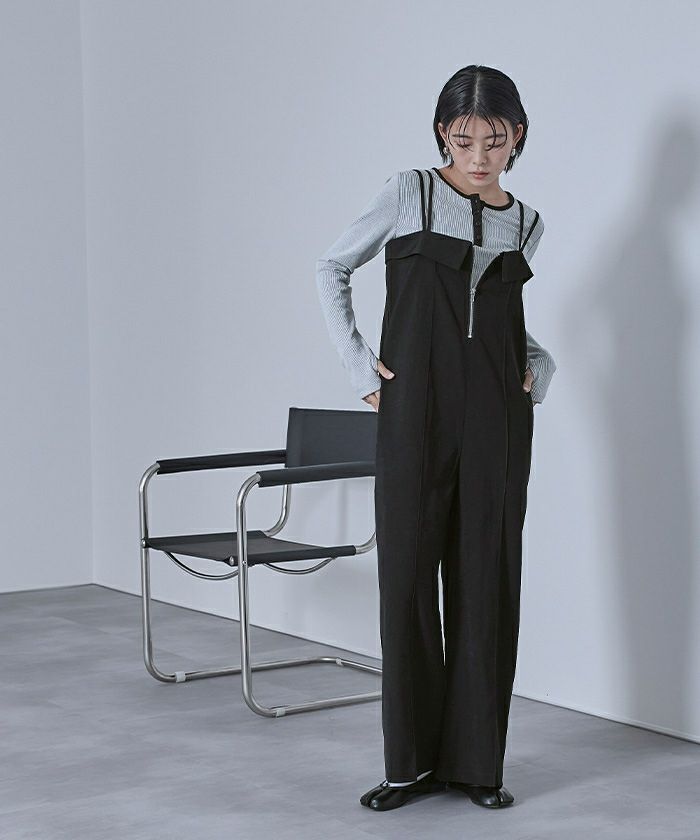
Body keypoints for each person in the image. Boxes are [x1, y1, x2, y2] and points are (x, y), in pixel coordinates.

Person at [315, 64, 556, 812]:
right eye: (464, 139)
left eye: (495, 140)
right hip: (415, 408)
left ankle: (477, 766)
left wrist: (540, 365)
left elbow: (499, 323)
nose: (479, 156)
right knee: (409, 577)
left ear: (517, 136)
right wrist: (359, 363)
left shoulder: (527, 222)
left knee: (488, 578)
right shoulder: (410, 192)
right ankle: (409, 766)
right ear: (442, 134)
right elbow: (332, 266)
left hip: (498, 417)